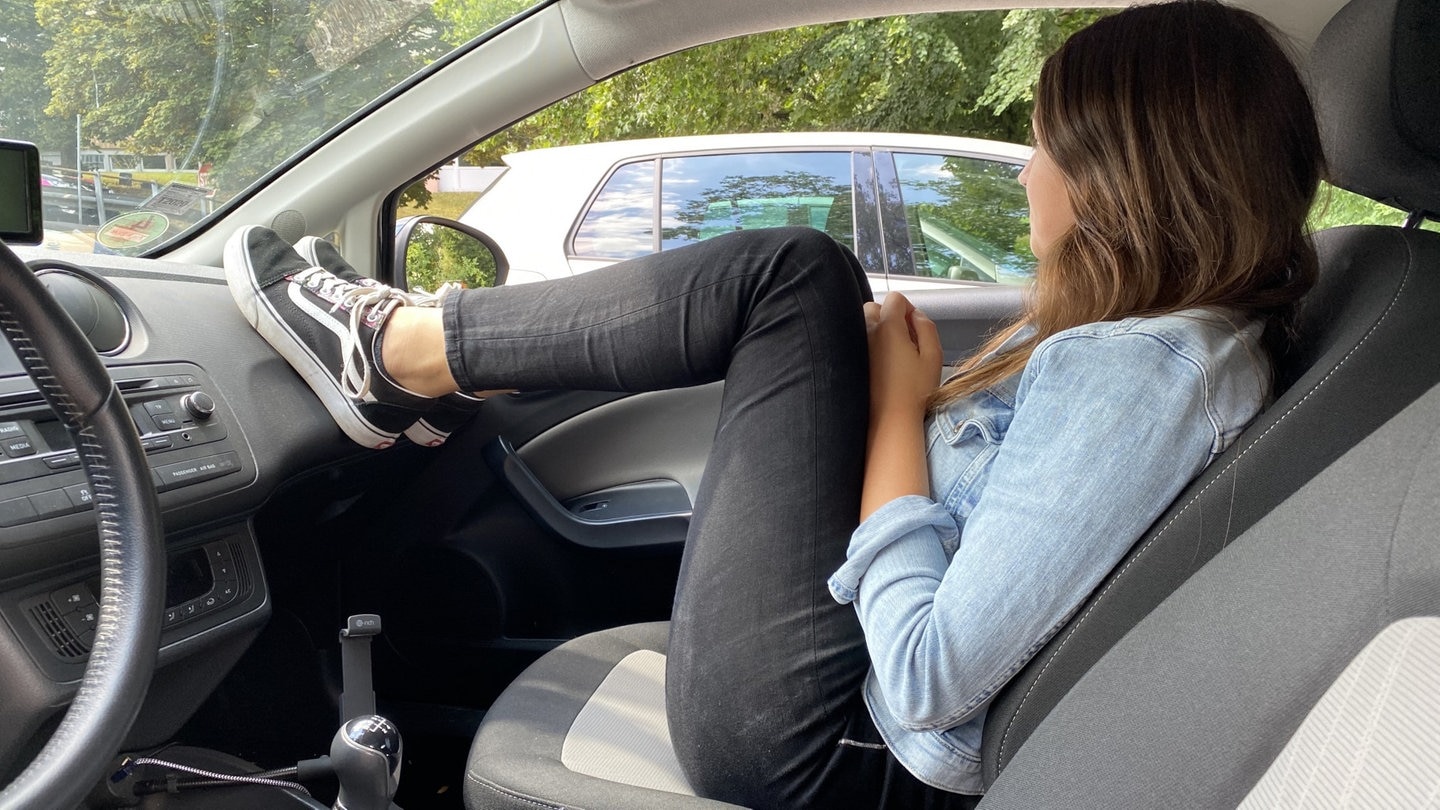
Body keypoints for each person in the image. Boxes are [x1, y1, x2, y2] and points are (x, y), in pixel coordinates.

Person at [223, 1, 1324, 806]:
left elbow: (935, 673)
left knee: (789, 278)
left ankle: (400, 351)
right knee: (816, 290)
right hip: (845, 698)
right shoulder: (1150, 338)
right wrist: (911, 394)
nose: (1029, 173)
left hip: (838, 749)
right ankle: (420, 364)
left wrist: (897, 413)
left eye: (1049, 147)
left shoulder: (1148, 370)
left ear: (1127, 179)